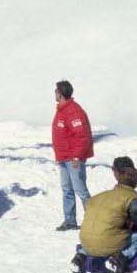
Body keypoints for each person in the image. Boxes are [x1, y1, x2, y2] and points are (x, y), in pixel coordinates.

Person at [70, 158, 137, 273]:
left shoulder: (98, 197)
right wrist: (132, 221)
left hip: (85, 241)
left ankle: (80, 257)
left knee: (98, 236)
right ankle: (119, 259)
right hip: (108, 243)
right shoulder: (132, 196)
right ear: (135, 183)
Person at [51, 80, 93, 231]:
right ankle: (70, 220)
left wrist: (77, 156)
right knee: (66, 189)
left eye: (56, 91)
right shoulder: (62, 109)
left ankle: (93, 220)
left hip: (73, 159)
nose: (54, 93)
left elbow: (82, 136)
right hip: (64, 158)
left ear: (60, 94)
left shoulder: (73, 111)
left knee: (80, 189)